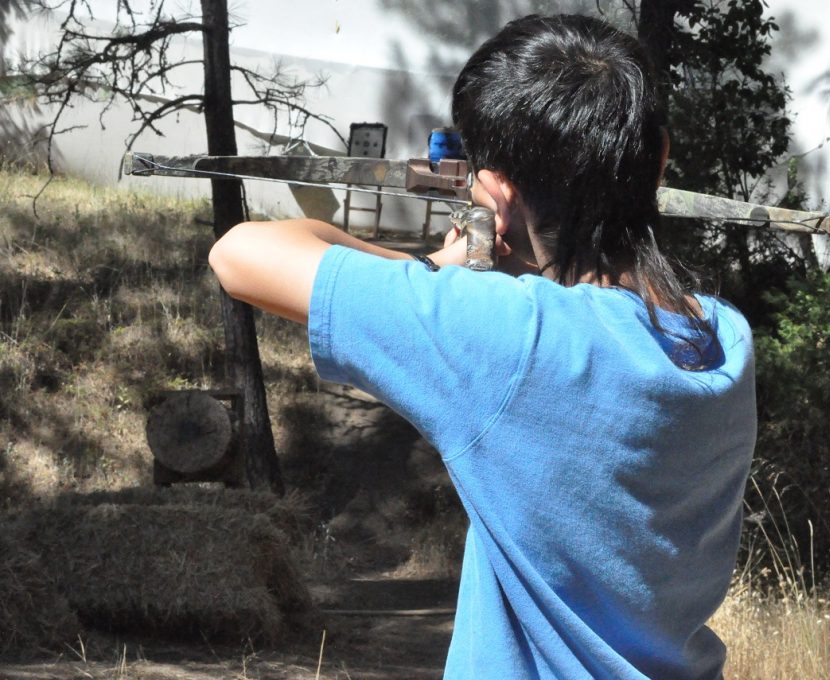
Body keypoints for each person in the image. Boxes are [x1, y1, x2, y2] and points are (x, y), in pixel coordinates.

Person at [209, 14, 756, 680]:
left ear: (497, 194)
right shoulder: (722, 337)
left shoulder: (508, 335)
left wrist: (447, 263)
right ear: (660, 158)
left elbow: (240, 254)